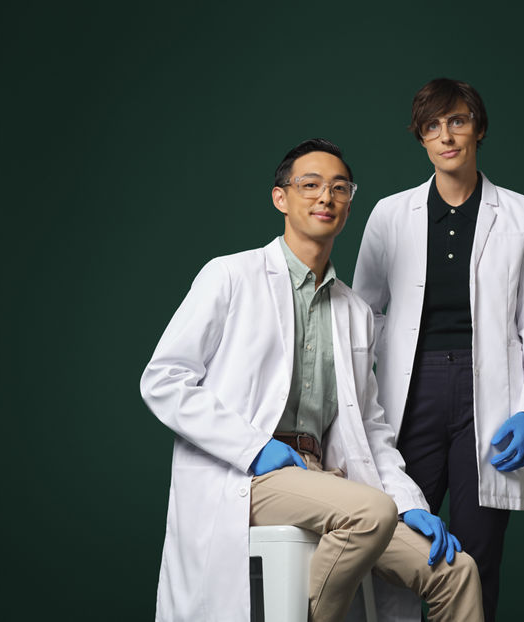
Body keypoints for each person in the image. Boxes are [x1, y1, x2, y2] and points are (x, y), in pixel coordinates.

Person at [141, 138, 483, 622]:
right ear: (281, 198)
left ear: (348, 204)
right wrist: (253, 448)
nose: (326, 197)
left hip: (325, 480)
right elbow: (164, 379)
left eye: (340, 188)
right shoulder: (231, 276)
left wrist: (410, 502)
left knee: (456, 570)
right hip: (247, 475)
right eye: (311, 185)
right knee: (369, 512)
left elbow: (370, 426)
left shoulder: (356, 311)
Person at [352, 78, 524, 622]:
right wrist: (356, 402)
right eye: (433, 126)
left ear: (478, 129)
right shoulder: (390, 215)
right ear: (421, 138)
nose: (447, 136)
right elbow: (360, 315)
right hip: (408, 391)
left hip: (488, 398)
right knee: (396, 548)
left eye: (458, 121)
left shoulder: (521, 214)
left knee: (478, 551)